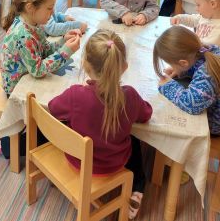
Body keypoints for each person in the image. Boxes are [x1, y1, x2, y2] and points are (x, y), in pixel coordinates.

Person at [49, 29, 152, 220]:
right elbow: (146, 114)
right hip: (115, 163)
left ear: (85, 64)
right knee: (134, 139)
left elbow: (53, 108)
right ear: (124, 67)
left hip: (77, 160)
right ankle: (138, 188)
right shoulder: (130, 96)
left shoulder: (75, 94)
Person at [153, 26, 220, 136]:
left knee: (168, 123)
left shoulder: (207, 75)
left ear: (183, 63)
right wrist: (180, 70)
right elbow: (195, 65)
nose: (171, 66)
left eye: (172, 64)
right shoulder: (209, 50)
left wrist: (167, 86)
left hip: (216, 125)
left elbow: (191, 104)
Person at [1, 0, 81, 96]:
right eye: (49, 8)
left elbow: (45, 49)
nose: (53, 13)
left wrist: (63, 41)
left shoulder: (34, 24)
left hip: (28, 77)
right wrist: (65, 52)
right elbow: (37, 70)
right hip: (17, 89)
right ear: (30, 7)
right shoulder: (23, 35)